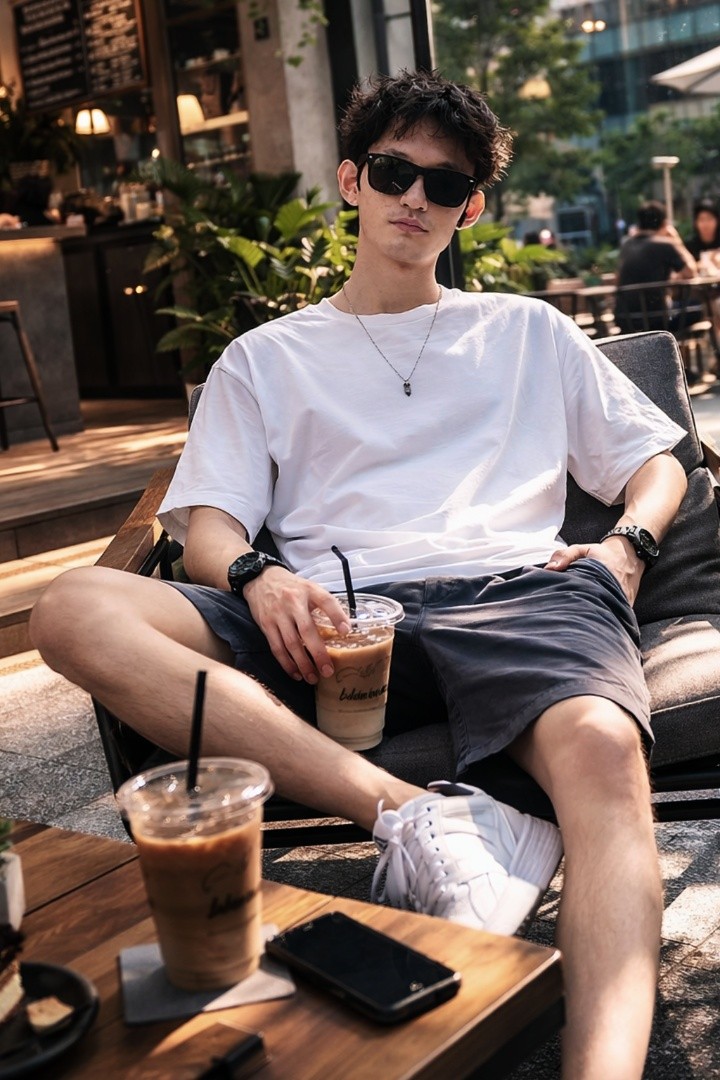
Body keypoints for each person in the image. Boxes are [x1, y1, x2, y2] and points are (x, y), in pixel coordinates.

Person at [30, 70, 688, 1079]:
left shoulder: (527, 331)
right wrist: (256, 576)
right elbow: (210, 528)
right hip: (334, 621)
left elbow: (658, 462)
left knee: (604, 757)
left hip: (519, 595)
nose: (416, 199)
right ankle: (405, 811)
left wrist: (625, 546)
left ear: (471, 208)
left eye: (445, 185)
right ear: (351, 180)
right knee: (73, 607)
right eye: (393, 173)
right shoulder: (266, 358)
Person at [614, 200, 697, 334]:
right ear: (664, 224)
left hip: (625, 320)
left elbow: (618, 278)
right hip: (658, 321)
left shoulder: (627, 245)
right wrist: (676, 239)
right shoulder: (665, 244)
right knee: (699, 306)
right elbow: (691, 272)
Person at [685, 197, 720, 273]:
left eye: (709, 219)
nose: (706, 224)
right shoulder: (689, 245)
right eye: (701, 219)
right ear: (696, 222)